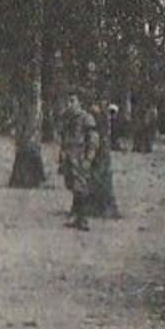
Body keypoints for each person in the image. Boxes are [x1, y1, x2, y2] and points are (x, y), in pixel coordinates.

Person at [58, 93, 101, 230]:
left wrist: (89, 157)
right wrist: (62, 154)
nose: (70, 104)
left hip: (81, 157)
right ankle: (76, 216)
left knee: (81, 187)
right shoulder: (67, 119)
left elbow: (93, 140)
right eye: (68, 101)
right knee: (72, 185)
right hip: (70, 157)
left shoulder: (86, 118)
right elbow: (64, 138)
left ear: (79, 103)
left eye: (73, 101)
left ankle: (83, 219)